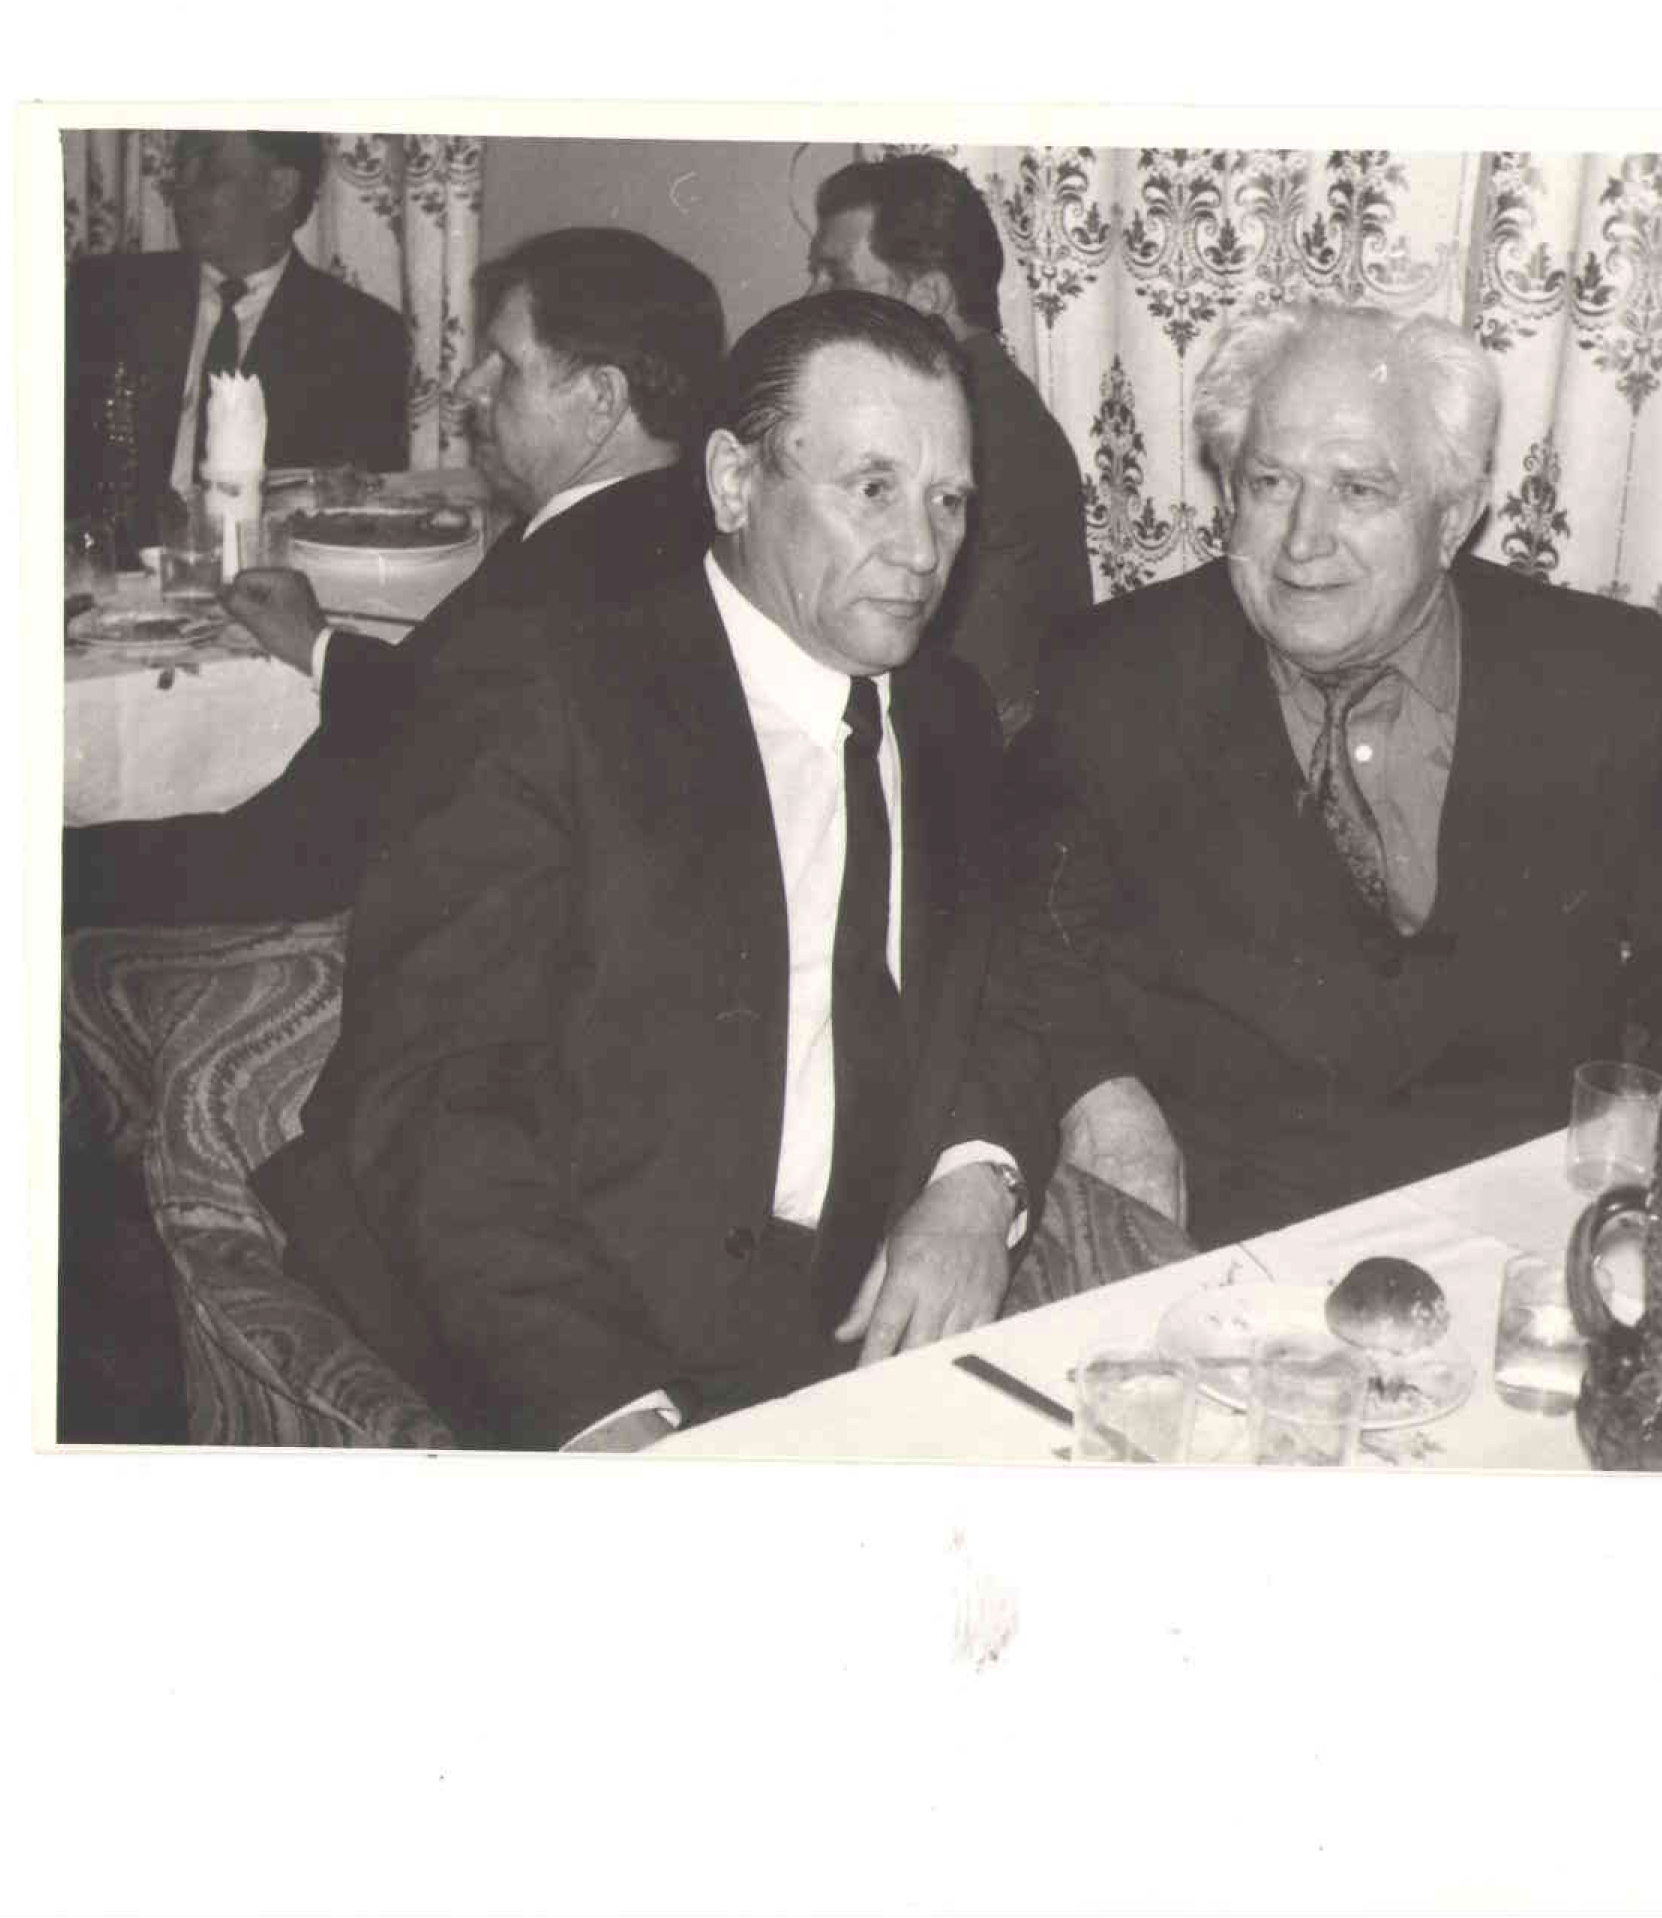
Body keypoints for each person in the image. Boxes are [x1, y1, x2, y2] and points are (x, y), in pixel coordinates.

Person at [260, 291, 1053, 1451]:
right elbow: (434, 1095)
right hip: (547, 1311)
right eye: (872, 487)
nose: (923, 550)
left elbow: (1005, 977)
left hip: (835, 1319)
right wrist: (603, 1401)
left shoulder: (948, 712)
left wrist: (978, 1179)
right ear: (735, 482)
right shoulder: (546, 693)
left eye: (949, 499)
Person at [1001, 298, 1662, 1248]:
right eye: (1270, 483)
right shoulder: (1117, 675)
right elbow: (1026, 929)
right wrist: (1099, 1093)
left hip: (1523, 1227)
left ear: (1452, 517)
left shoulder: (1592, 677)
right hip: (1221, 1233)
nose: (1303, 541)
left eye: (1359, 491)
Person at [63, 229, 724, 925]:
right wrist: (318, 644)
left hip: (338, 895)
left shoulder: (571, 577)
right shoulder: (644, 527)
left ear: (601, 398)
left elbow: (341, 832)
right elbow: (441, 708)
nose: (468, 388)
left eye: (504, 366)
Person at [808, 153, 1089, 734]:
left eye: (837, 275)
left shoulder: (968, 433)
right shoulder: (988, 405)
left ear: (930, 295)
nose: (813, 295)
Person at [66, 129, 411, 554]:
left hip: (269, 577)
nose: (182, 189)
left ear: (280, 188)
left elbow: (358, 521)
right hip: (117, 576)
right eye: (182, 170)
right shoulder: (107, 296)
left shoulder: (363, 337)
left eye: (209, 171)